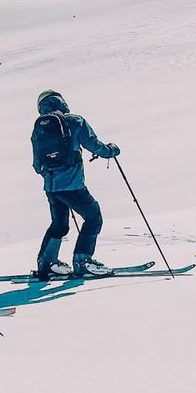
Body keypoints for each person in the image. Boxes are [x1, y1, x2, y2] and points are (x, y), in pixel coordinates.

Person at [30, 90, 120, 278]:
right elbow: (93, 144)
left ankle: (46, 263)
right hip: (72, 185)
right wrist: (110, 151)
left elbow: (37, 165)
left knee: (59, 225)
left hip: (52, 188)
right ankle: (83, 261)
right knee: (93, 217)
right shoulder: (74, 121)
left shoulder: (39, 129)